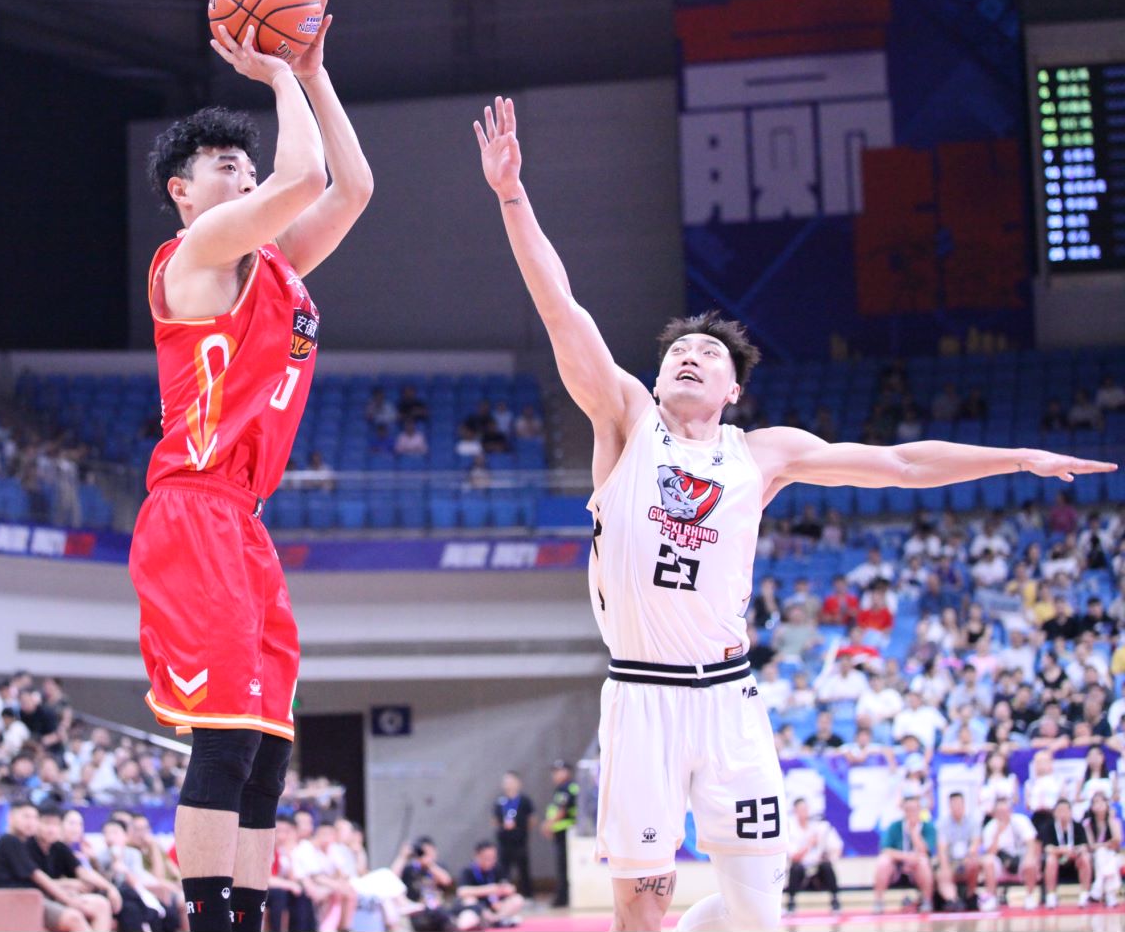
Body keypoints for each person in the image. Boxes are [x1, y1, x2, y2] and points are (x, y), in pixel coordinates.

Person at [471, 92, 1115, 932]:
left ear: (733, 390)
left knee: (758, 912)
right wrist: (512, 196)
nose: (690, 356)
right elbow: (562, 309)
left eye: (708, 353)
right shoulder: (625, 418)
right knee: (642, 905)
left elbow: (899, 465)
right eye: (679, 350)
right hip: (642, 695)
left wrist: (1018, 456)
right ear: (658, 376)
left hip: (729, 697)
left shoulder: (762, 452)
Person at [128, 0, 372, 932]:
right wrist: (276, 73)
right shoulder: (194, 253)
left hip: (243, 520)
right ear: (183, 193)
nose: (241, 169)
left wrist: (314, 72)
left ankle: (253, 917)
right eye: (219, 165)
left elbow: (351, 188)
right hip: (193, 508)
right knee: (226, 739)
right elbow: (304, 177)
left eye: (245, 161)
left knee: (270, 750)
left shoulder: (274, 265)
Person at [0, 802, 92, 932]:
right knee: (74, 918)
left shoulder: (22, 843)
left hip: (30, 899)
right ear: (11, 817)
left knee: (92, 907)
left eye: (34, 817)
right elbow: (37, 876)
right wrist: (68, 900)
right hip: (17, 902)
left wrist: (66, 890)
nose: (31, 822)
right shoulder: (9, 840)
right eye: (26, 816)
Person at [873, 794, 936, 914]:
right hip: (897, 867)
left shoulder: (928, 827)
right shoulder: (895, 826)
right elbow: (885, 849)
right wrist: (906, 857)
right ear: (903, 810)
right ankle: (878, 902)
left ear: (920, 810)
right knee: (883, 861)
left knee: (923, 862)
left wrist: (914, 833)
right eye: (908, 809)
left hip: (917, 868)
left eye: (914, 809)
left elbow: (925, 851)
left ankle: (926, 901)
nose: (911, 813)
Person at [979, 797, 1041, 912]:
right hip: (1001, 864)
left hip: (1021, 861)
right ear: (994, 813)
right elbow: (990, 852)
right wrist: (998, 833)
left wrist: (1030, 858)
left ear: (1011, 811)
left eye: (1005, 811)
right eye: (999, 812)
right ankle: (991, 897)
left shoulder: (1021, 821)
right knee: (987, 861)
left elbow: (1032, 843)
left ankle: (1029, 897)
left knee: (1031, 860)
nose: (1002, 815)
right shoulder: (990, 827)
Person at [784, 798, 840, 913]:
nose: (804, 812)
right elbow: (794, 857)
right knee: (795, 868)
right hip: (801, 871)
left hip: (817, 869)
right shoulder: (790, 828)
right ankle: (791, 902)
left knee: (827, 866)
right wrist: (809, 844)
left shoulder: (821, 826)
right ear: (795, 811)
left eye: (805, 809)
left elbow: (837, 846)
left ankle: (835, 901)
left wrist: (829, 857)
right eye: (800, 809)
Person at [454, 842, 526, 929]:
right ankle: (489, 921)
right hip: (478, 908)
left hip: (495, 906)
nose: (490, 861)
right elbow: (461, 892)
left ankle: (497, 920)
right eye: (486, 857)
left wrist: (503, 891)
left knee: (517, 899)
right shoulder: (468, 870)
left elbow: (510, 888)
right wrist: (489, 889)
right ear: (477, 856)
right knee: (469, 903)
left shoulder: (497, 868)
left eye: (493, 857)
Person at [934, 791, 981, 913]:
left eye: (959, 804)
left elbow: (975, 843)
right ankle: (954, 900)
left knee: (973, 863)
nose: (957, 807)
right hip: (950, 861)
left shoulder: (972, 822)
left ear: (964, 805)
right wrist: (945, 867)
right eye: (954, 804)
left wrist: (968, 857)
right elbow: (941, 848)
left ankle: (970, 897)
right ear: (949, 806)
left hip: (966, 859)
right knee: (942, 873)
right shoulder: (942, 824)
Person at [1039, 798, 1091, 909]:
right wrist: (1062, 850)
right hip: (1057, 859)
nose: (1063, 814)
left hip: (1075, 860)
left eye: (1065, 810)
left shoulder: (1078, 826)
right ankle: (1051, 895)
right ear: (1054, 813)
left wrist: (1073, 851)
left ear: (1071, 812)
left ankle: (1084, 895)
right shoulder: (1049, 827)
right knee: (1050, 859)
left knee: (1085, 858)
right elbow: (1047, 848)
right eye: (1060, 811)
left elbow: (1084, 846)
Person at [491, 771, 534, 898]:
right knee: (504, 870)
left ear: (518, 783)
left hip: (520, 840)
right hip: (504, 841)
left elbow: (531, 820)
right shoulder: (500, 801)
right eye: (506, 781)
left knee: (523, 869)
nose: (508, 784)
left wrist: (520, 828)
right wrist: (503, 825)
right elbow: (494, 820)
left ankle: (527, 895)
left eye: (511, 781)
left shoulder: (524, 800)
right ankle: (505, 896)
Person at [542, 760, 579, 907]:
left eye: (559, 771)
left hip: (565, 831)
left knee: (564, 867)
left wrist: (547, 825)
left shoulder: (566, 788)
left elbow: (561, 810)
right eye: (554, 772)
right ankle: (563, 897)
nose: (556, 775)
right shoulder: (563, 788)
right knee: (563, 866)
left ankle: (562, 898)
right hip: (561, 831)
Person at [1081, 791, 1122, 907]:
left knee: (1109, 857)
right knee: (1101, 853)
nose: (1098, 805)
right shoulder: (1088, 823)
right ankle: (1110, 895)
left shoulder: (1114, 820)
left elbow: (1117, 841)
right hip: (1096, 856)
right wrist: (1106, 845)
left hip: (1113, 855)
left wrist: (1110, 819)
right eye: (1095, 802)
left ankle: (1097, 887)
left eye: (1101, 802)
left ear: (1107, 804)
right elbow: (1091, 846)